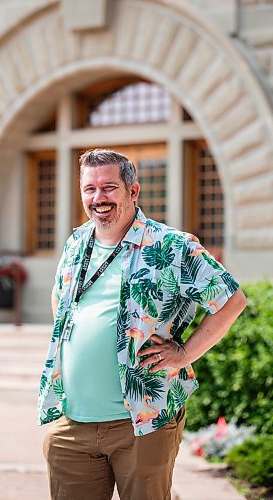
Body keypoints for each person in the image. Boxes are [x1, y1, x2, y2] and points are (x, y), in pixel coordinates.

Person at [39, 148, 247, 500]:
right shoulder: (76, 243)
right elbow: (60, 303)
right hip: (71, 422)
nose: (98, 198)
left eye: (108, 188)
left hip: (142, 420)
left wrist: (184, 355)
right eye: (89, 189)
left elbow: (231, 300)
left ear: (133, 191)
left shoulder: (171, 245)